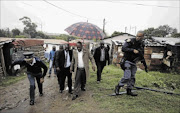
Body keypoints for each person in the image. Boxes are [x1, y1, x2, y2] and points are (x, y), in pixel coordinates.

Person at [115, 31, 148, 96]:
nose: (138, 37)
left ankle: (129, 90)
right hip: (126, 61)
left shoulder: (142, 44)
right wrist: (132, 50)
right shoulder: (130, 41)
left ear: (142, 37)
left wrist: (145, 66)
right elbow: (123, 48)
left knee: (132, 77)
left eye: (140, 36)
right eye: (137, 36)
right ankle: (118, 86)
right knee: (127, 76)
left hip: (134, 62)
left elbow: (141, 55)